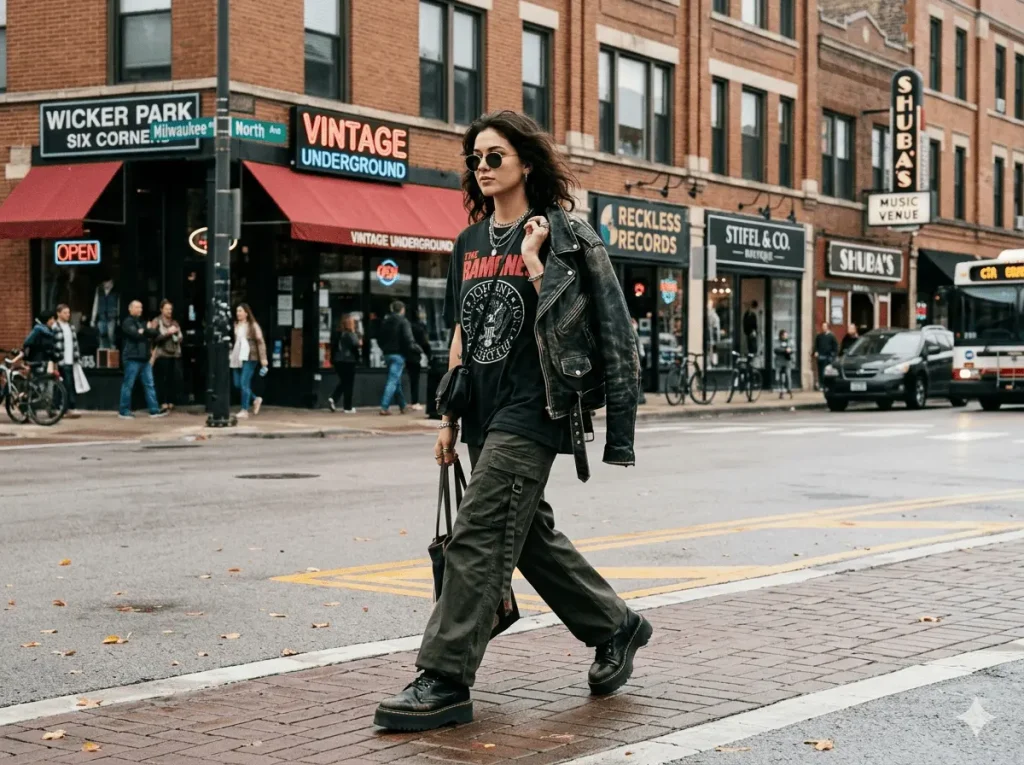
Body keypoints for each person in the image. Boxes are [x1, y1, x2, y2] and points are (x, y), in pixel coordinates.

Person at [374, 111, 647, 732]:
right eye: (476, 158)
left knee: (479, 529)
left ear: (526, 162)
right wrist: (447, 416)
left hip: (536, 406)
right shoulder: (468, 242)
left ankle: (444, 677)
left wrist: (533, 261)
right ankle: (617, 627)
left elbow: (595, 330)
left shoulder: (564, 236)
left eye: (495, 155)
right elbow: (463, 332)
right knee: (526, 536)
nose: (484, 166)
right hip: (482, 409)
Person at [119, 300, 167, 419]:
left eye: (140, 307)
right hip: (132, 358)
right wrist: (146, 331)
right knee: (128, 384)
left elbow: (155, 333)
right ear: (130, 309)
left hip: (144, 358)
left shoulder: (141, 323)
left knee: (149, 384)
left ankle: (154, 410)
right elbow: (135, 334)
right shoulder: (127, 322)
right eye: (136, 307)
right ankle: (123, 410)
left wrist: (144, 331)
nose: (139, 309)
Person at [377, 300, 416, 416]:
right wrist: (416, 350)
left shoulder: (385, 321)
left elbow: (379, 338)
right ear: (402, 310)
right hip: (398, 354)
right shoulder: (403, 321)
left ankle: (403, 406)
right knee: (393, 380)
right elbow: (408, 339)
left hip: (387, 354)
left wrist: (384, 349)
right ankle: (384, 407)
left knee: (396, 381)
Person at [230, 304, 268, 418]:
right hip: (237, 356)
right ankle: (256, 399)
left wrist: (263, 359)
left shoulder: (253, 326)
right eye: (237, 311)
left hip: (250, 356)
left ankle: (244, 410)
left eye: (240, 311)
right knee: (237, 383)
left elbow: (260, 342)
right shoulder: (236, 325)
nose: (238, 313)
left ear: (246, 313)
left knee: (244, 383)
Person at [149, 300, 184, 412]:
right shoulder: (157, 321)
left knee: (172, 378)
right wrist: (167, 333)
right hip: (162, 354)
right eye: (167, 309)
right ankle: (162, 401)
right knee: (161, 379)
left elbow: (180, 338)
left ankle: (171, 401)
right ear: (161, 309)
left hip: (174, 354)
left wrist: (177, 334)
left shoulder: (174, 322)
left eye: (170, 309)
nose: (169, 311)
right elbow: (153, 337)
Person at [54, 304, 83, 417]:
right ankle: (66, 407)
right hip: (60, 360)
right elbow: (54, 345)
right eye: (65, 312)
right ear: (58, 313)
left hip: (70, 360)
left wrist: (77, 358)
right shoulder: (55, 327)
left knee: (69, 384)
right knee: (64, 384)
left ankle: (63, 407)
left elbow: (75, 344)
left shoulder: (71, 327)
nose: (68, 315)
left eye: (69, 313)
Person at [328, 315, 361, 413]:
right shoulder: (351, 334)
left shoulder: (337, 334)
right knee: (348, 384)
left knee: (344, 382)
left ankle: (333, 398)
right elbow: (356, 346)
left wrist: (332, 360)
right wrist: (358, 359)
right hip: (349, 361)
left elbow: (333, 347)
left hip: (338, 361)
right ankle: (347, 407)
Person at [405, 309, 432, 412]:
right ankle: (415, 402)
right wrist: (429, 355)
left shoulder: (407, 326)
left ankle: (409, 402)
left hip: (406, 355)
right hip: (416, 356)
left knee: (410, 380)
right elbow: (425, 343)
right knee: (415, 380)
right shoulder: (420, 328)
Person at [812, 322, 839, 391]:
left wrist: (833, 355)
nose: (823, 328)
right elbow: (816, 345)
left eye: (824, 326)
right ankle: (821, 385)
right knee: (820, 371)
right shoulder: (819, 336)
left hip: (828, 356)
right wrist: (815, 352)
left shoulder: (832, 336)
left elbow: (835, 347)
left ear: (827, 327)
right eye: (822, 326)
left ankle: (826, 386)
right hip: (820, 356)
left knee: (826, 371)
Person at [630, 317, 647, 405]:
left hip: (637, 357)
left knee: (637, 378)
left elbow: (637, 347)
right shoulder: (634, 331)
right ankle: (640, 397)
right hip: (638, 357)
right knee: (637, 378)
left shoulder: (633, 331)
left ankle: (640, 398)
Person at [774, 329, 794, 399]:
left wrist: (790, 350)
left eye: (786, 335)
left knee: (788, 375)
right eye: (784, 335)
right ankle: (780, 390)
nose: (786, 336)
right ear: (781, 335)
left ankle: (789, 389)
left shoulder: (789, 341)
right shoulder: (777, 341)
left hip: (787, 361)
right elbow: (776, 349)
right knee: (777, 376)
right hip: (779, 361)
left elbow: (793, 348)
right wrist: (785, 350)